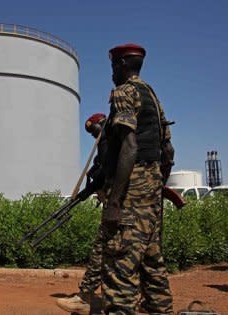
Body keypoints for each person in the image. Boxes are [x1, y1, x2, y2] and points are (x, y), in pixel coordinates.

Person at [100, 43, 174, 314]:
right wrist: (155, 184)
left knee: (120, 264)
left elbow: (129, 146)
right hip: (151, 190)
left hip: (132, 189)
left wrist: (115, 201)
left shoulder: (124, 92)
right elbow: (168, 149)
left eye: (112, 67)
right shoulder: (152, 95)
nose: (111, 73)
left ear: (120, 65)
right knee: (152, 261)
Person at [56, 113, 108, 315]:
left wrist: (90, 189)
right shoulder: (109, 143)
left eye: (93, 130)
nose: (94, 135)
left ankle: (85, 297)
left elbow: (104, 175)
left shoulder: (107, 142)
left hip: (118, 204)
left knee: (102, 249)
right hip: (127, 203)